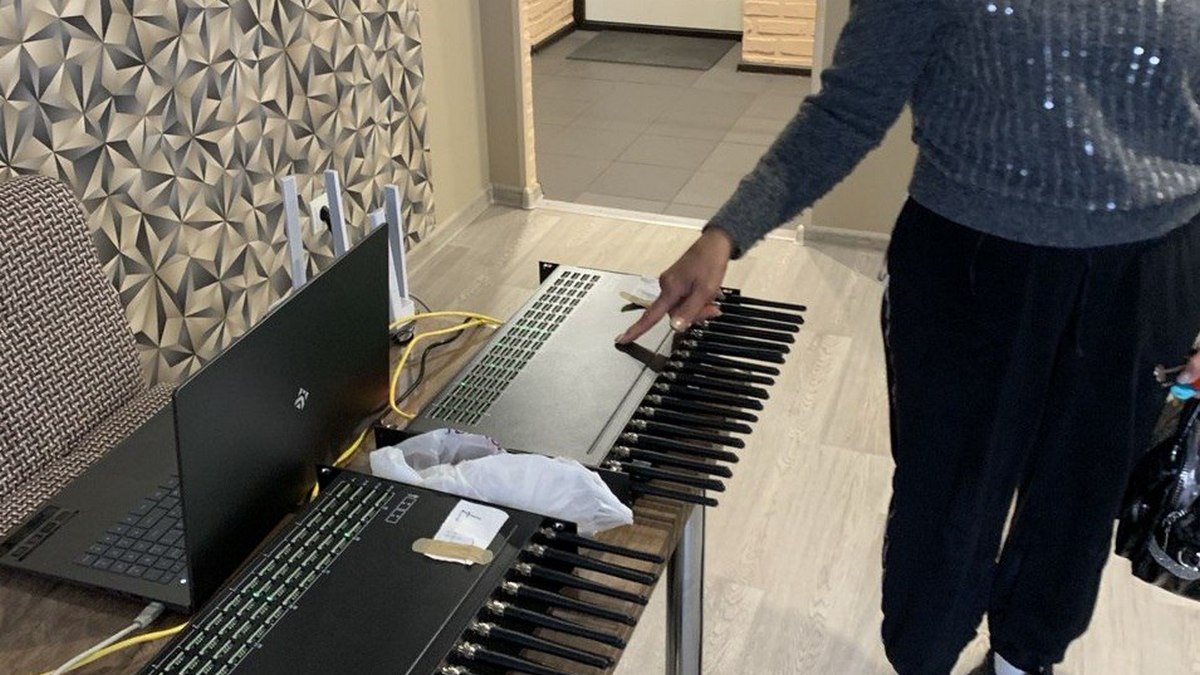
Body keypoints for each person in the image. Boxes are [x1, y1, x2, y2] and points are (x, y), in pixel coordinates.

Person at [616, 2, 1200, 674]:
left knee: (1081, 498)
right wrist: (726, 233)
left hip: (1153, 273)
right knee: (947, 496)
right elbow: (850, 108)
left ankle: (1021, 663)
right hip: (971, 270)